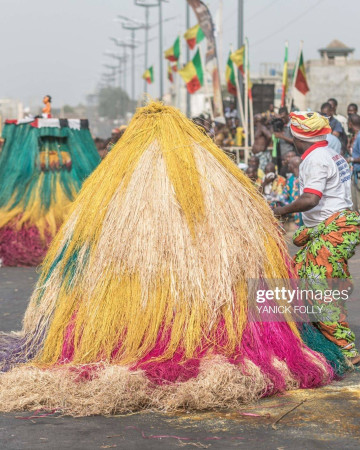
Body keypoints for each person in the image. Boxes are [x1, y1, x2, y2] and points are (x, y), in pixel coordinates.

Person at [274, 111, 360, 365]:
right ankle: (317, 337)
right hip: (332, 229)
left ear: (299, 138)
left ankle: (346, 350)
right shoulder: (331, 153)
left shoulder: (315, 159)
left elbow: (311, 198)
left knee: (317, 289)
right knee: (301, 276)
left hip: (332, 231)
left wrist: (279, 211)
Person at [281, 156, 303, 227]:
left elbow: (284, 196)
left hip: (304, 211)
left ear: (293, 166)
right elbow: (284, 195)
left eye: (289, 164)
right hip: (293, 210)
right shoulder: (291, 179)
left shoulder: (304, 178)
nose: (288, 166)